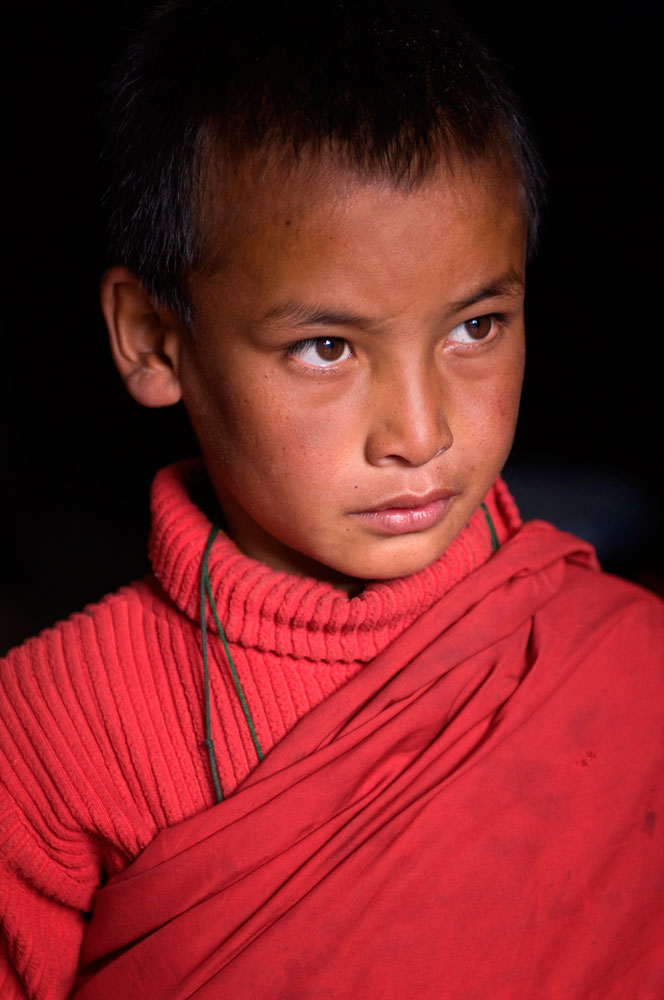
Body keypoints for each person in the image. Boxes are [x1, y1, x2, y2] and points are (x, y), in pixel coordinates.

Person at [1, 2, 662, 997]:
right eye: (326, 347)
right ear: (152, 339)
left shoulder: (622, 662)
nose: (419, 431)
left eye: (475, 326)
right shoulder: (53, 737)